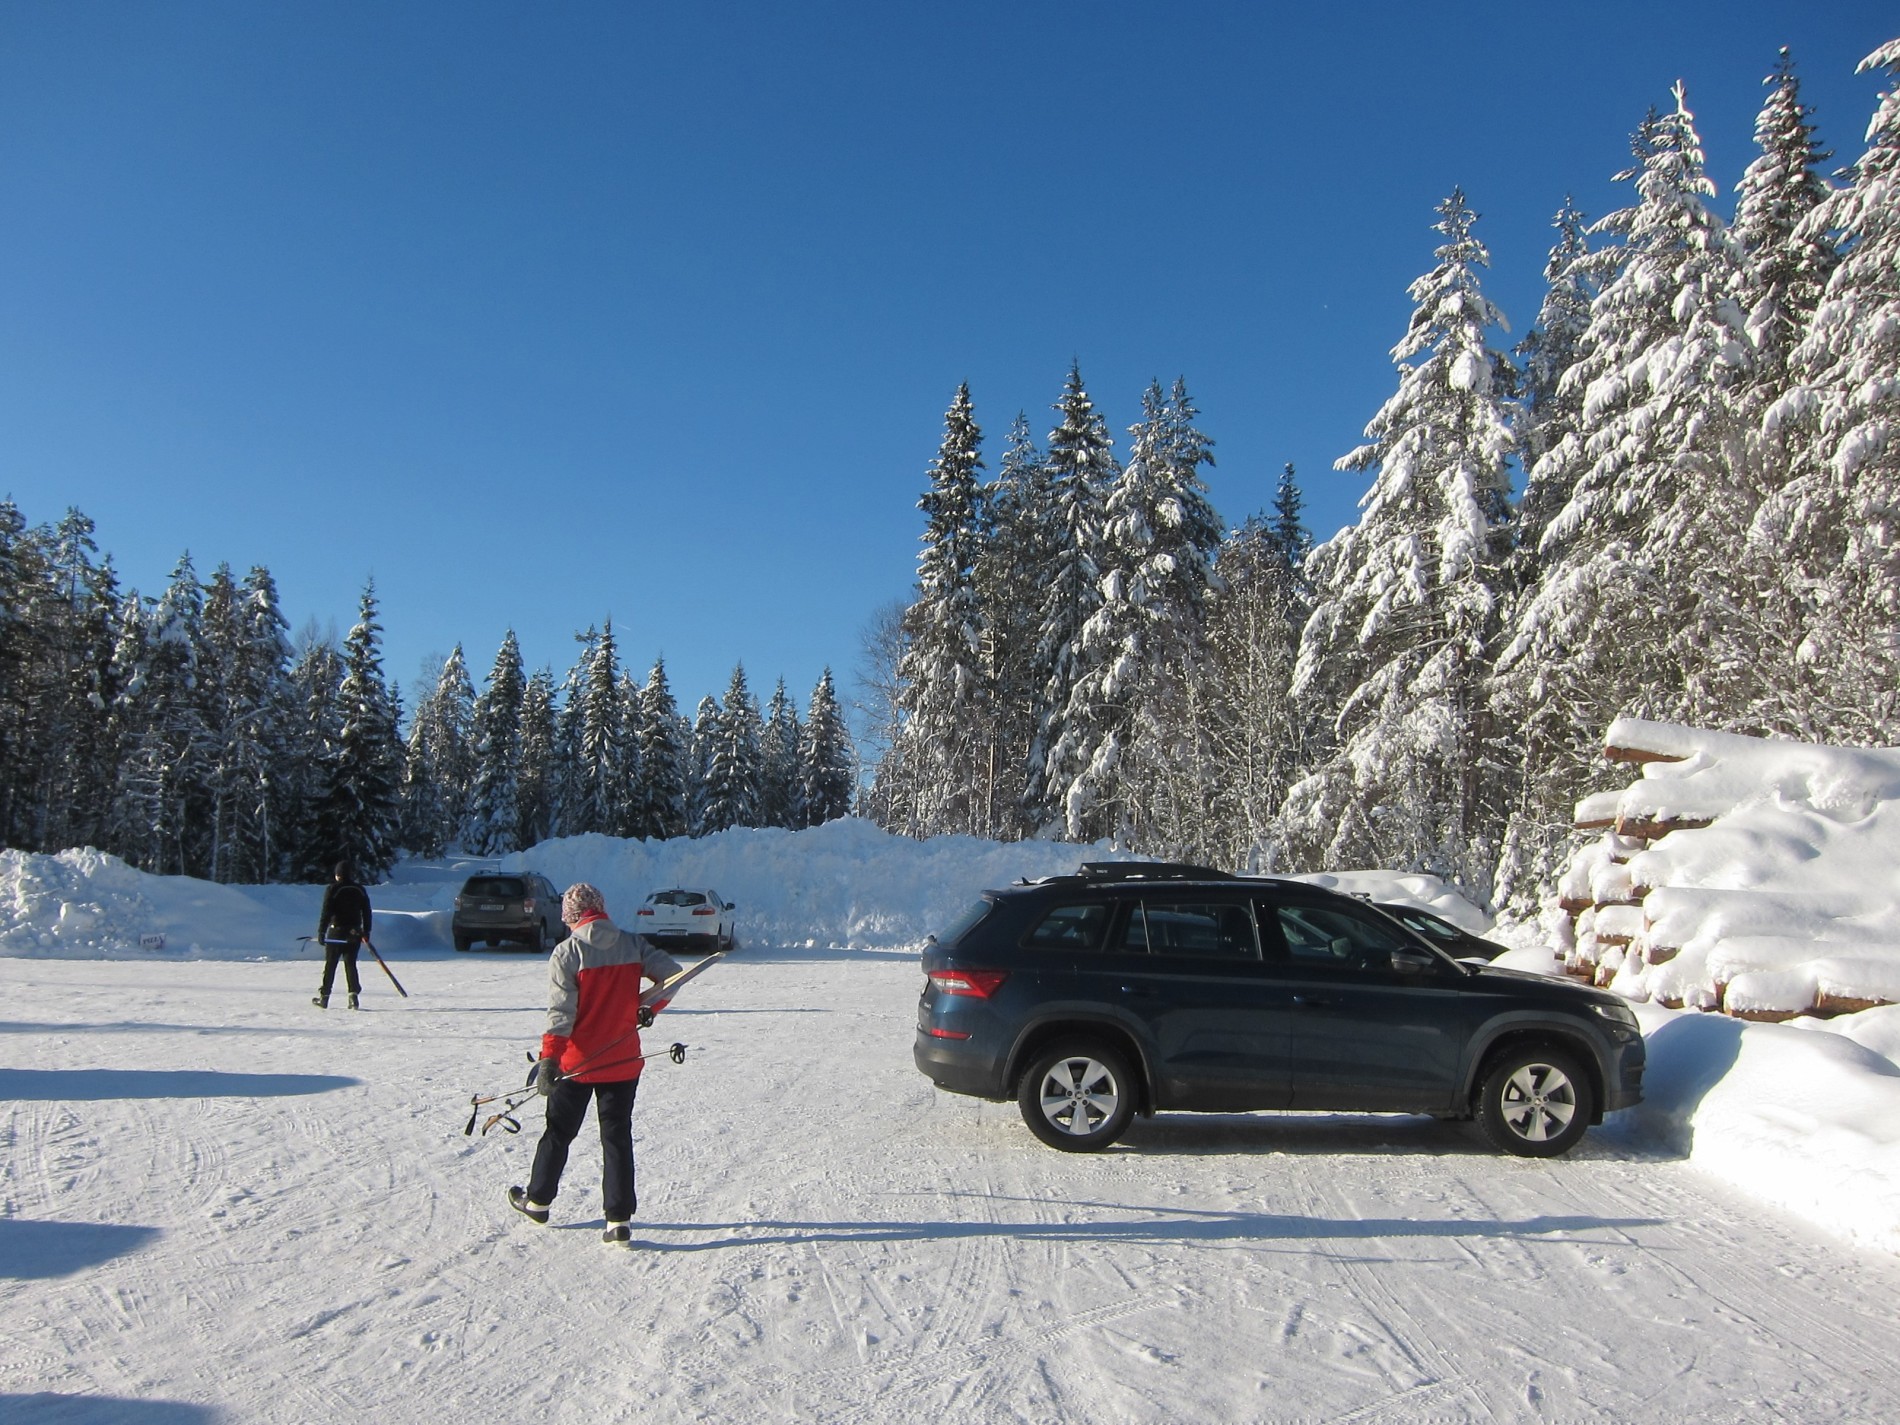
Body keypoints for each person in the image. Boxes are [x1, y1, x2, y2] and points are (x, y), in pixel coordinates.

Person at [508, 882, 682, 1245]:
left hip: (577, 1064)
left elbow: (560, 1013)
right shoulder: (632, 943)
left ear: (570, 916)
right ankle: (618, 1221)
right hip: (623, 1060)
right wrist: (650, 1007)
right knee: (616, 1137)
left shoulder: (568, 951)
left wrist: (549, 1061)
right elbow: (673, 975)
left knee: (558, 1133)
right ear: (600, 908)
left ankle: (538, 1200)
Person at [312, 861, 372, 1010]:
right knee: (350, 964)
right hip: (354, 932)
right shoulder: (359, 889)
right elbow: (367, 911)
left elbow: (326, 911)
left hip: (336, 931)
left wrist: (321, 931)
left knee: (331, 964)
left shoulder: (333, 889)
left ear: (338, 874)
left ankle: (324, 997)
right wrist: (366, 931)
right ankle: (353, 997)